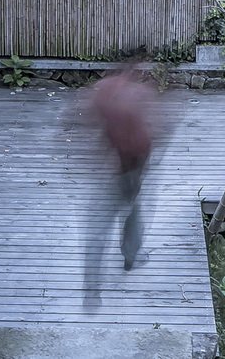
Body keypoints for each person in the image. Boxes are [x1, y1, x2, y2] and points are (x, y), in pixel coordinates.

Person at [81, 62, 158, 303]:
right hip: (132, 168)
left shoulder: (101, 91)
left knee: (98, 229)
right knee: (133, 212)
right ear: (134, 72)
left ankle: (92, 287)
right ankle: (129, 257)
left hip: (107, 169)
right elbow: (153, 131)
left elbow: (82, 124)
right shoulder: (139, 94)